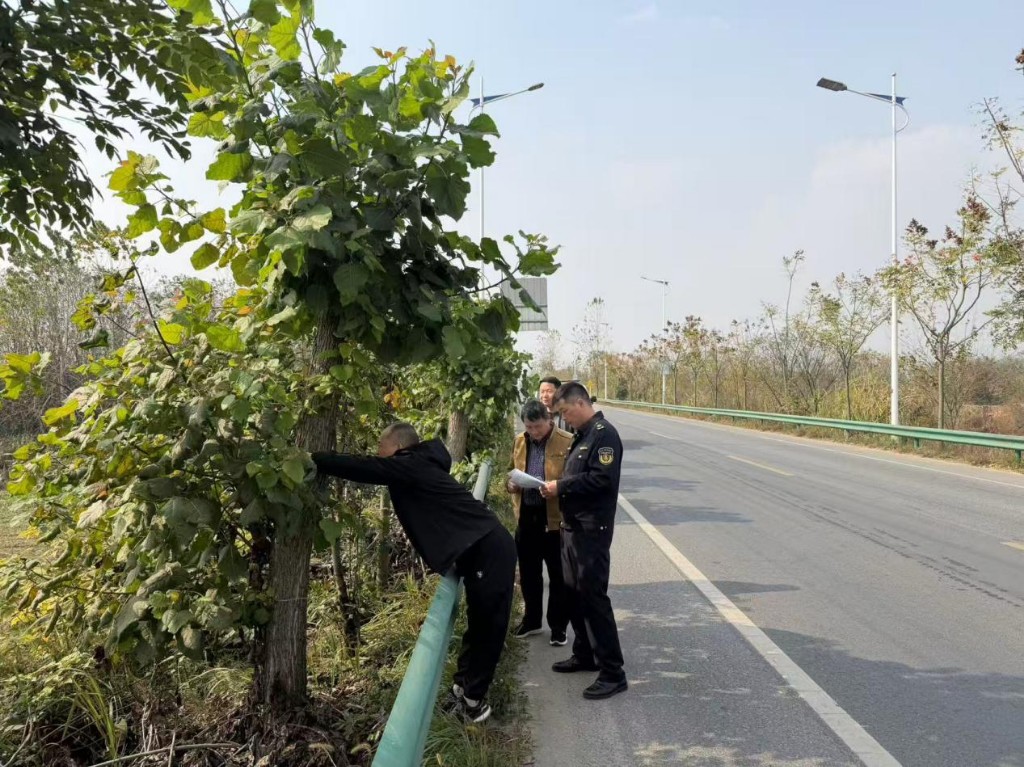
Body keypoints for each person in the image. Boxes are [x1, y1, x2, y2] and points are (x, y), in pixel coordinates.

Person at [312, 423, 516, 722]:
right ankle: (462, 689)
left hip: (488, 550)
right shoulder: (418, 464)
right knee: (478, 625)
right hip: (480, 548)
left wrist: (315, 458)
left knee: (488, 627)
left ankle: (473, 701)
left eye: (381, 447)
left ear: (398, 447)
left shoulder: (409, 465)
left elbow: (364, 467)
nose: (377, 453)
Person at [540, 382, 627, 700]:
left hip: (591, 530)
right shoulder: (582, 435)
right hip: (571, 528)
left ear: (580, 403)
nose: (564, 418)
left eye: (565, 412)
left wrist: (560, 487)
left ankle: (613, 673)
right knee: (573, 594)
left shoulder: (604, 435)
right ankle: (585, 654)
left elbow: (601, 479)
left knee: (593, 599)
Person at [506, 398, 572, 646]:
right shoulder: (520, 441)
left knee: (558, 575)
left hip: (555, 519)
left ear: (549, 420)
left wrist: (558, 488)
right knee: (529, 573)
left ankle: (558, 627)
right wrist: (510, 484)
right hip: (527, 516)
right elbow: (510, 470)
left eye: (538, 427)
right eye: (529, 427)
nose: (533, 432)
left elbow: (575, 479)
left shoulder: (567, 441)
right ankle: (532, 620)